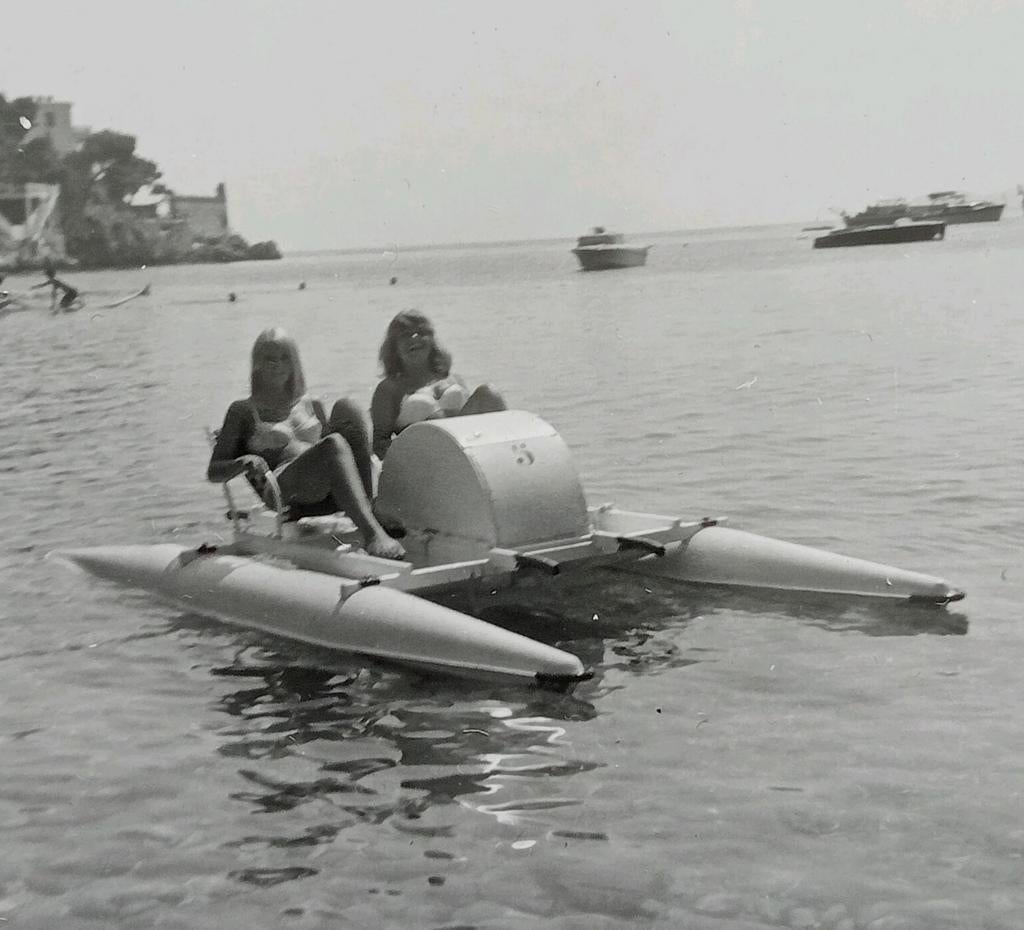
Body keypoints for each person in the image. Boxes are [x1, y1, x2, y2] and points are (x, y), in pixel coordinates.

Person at [207, 327, 405, 560]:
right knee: (332, 444)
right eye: (269, 359)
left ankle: (370, 508)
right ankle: (373, 534)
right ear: (257, 364)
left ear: (294, 364)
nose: (277, 365)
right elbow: (214, 471)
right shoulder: (242, 410)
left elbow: (342, 449)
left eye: (284, 358)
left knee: (348, 406)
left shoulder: (311, 403)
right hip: (282, 490)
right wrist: (242, 461)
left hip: (322, 491)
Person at [370, 309, 506, 459]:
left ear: (432, 340)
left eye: (421, 332)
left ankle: (508, 458)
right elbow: (379, 445)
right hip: (427, 460)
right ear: (394, 347)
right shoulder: (389, 388)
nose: (414, 337)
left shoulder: (452, 379)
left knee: (488, 393)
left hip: (464, 451)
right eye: (405, 335)